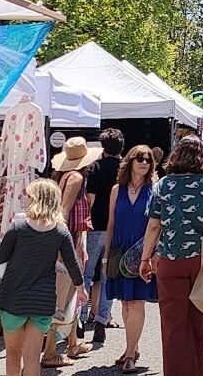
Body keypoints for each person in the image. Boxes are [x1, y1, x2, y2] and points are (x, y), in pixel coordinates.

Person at [139, 137, 203, 376]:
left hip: (170, 260)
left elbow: (154, 226)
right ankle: (198, 370)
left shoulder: (164, 185)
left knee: (174, 324)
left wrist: (145, 258)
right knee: (199, 320)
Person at [0, 179, 85, 376]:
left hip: (14, 298)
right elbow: (72, 263)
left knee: (13, 354)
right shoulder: (60, 231)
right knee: (32, 356)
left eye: (27, 195)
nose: (24, 199)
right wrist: (81, 288)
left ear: (36, 199)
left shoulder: (18, 227)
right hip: (42, 300)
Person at [45, 137, 102, 366]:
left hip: (73, 242)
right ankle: (50, 352)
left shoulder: (64, 176)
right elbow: (65, 210)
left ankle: (72, 343)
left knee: (72, 297)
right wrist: (64, 247)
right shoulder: (76, 178)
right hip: (69, 243)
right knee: (64, 297)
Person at [103, 145, 159, 373]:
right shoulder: (117, 190)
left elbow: (159, 226)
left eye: (148, 159)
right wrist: (106, 256)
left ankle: (129, 355)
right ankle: (132, 347)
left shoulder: (155, 189)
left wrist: (154, 254)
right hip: (119, 251)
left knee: (137, 302)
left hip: (142, 254)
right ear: (130, 162)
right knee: (125, 302)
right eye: (140, 159)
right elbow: (110, 224)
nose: (144, 162)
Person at [84, 128, 126, 342]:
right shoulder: (126, 169)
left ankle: (81, 319)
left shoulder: (95, 167)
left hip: (95, 226)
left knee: (86, 274)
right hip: (117, 228)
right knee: (108, 275)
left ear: (103, 146)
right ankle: (102, 319)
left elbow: (90, 199)